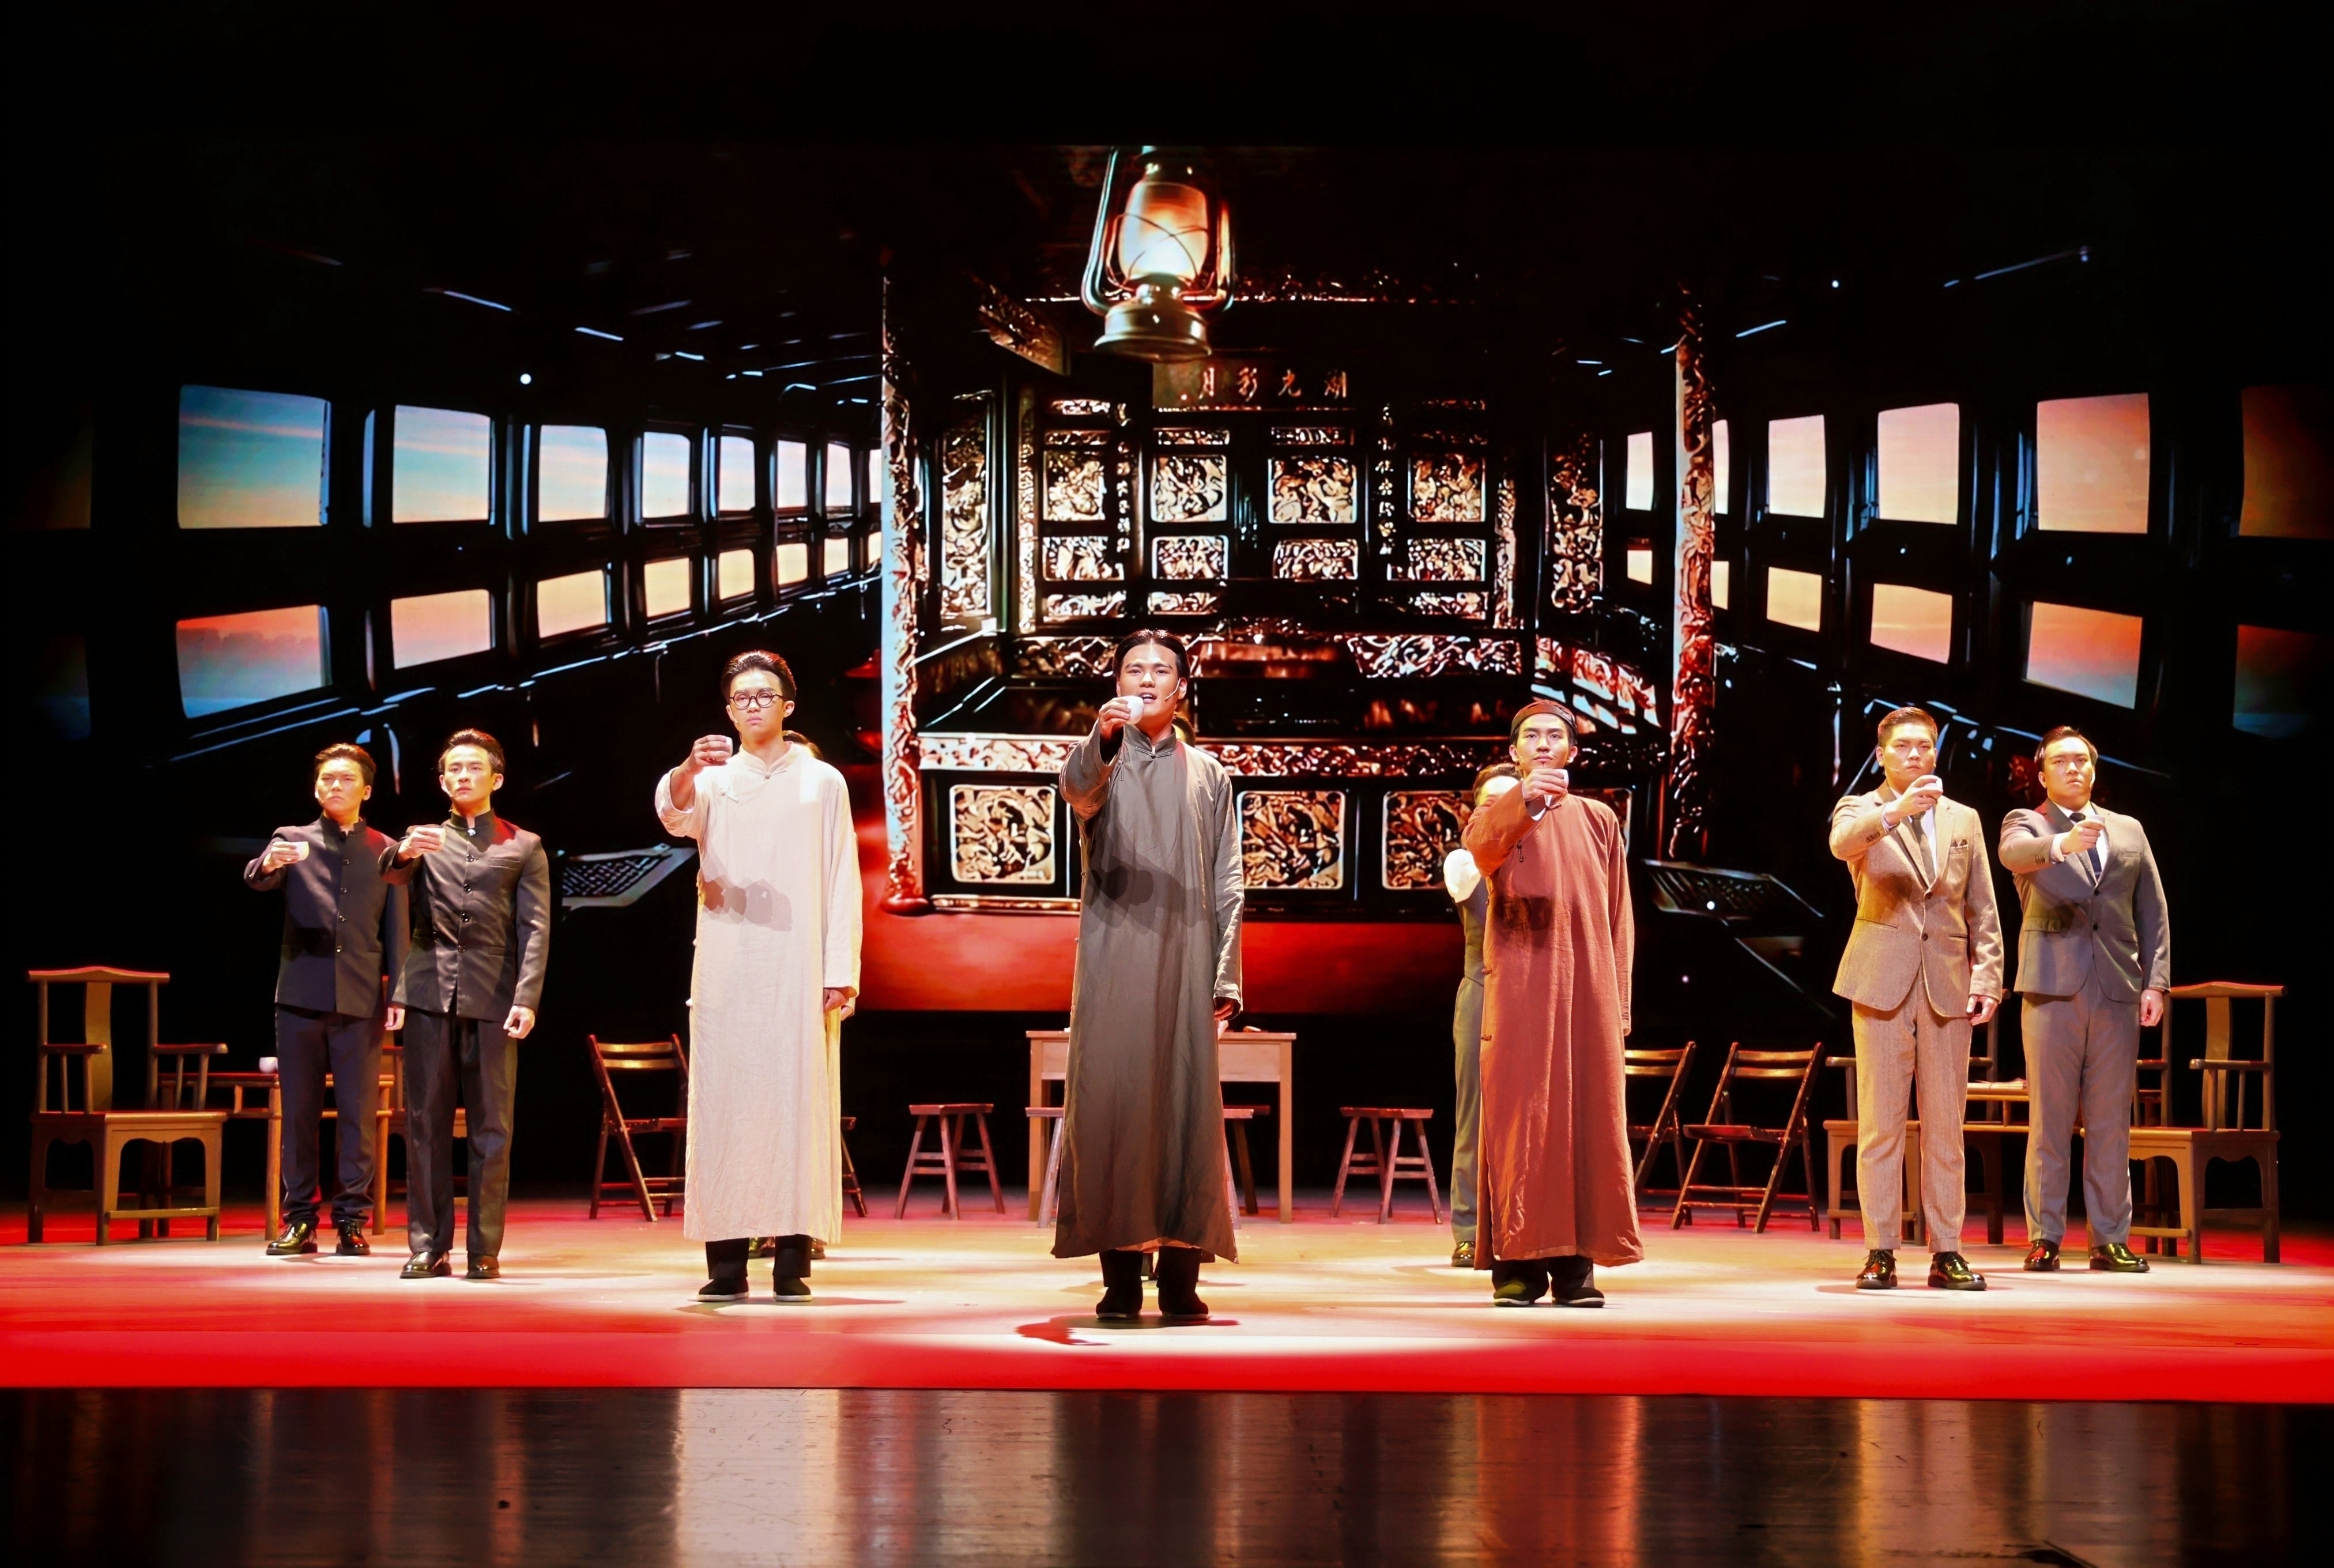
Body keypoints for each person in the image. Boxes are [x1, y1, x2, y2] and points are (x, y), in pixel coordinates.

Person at [657, 651, 861, 1302]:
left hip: (798, 965)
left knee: (798, 1107)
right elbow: (673, 815)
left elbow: (842, 876)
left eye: (764, 695)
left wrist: (840, 969)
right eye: (741, 697)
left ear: (787, 706)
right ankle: (725, 1264)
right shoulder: (713, 780)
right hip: (728, 962)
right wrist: (688, 769)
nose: (752, 705)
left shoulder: (822, 780)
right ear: (728, 709)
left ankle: (791, 1262)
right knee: (726, 1106)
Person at [1054, 629, 1243, 1322]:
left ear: (1181, 687)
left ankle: (1180, 1275)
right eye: (1133, 668)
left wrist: (1225, 975)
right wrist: (1102, 738)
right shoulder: (1101, 759)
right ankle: (1120, 1276)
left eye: (1160, 669)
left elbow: (1229, 879)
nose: (1145, 678)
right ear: (1116, 682)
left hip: (1188, 955)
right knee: (1114, 1104)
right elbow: (1075, 790)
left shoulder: (1208, 774)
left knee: (1183, 1108)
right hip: (1116, 957)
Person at [1461, 702, 1639, 1307]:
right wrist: (1527, 803)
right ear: (1514, 753)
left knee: (1587, 1122)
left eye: (1554, 736)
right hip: (1521, 988)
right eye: (1531, 736)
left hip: (1588, 989)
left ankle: (1575, 1267)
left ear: (1572, 752)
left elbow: (1619, 914)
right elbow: (1481, 850)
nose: (1542, 744)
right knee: (1522, 1121)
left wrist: (1618, 1003)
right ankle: (1517, 1267)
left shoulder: (1598, 818)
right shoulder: (1499, 811)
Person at [1828, 707, 2003, 1291]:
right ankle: (1880, 1249)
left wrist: (1987, 978)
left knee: (1945, 1126)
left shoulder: (1962, 818)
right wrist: (1895, 811)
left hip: (1947, 983)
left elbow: (1982, 905)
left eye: (1923, 745)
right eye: (1902, 746)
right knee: (1881, 1123)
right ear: (1881, 755)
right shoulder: (1860, 808)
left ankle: (1946, 1249)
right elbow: (1841, 844)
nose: (1914, 754)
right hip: (1881, 980)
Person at [380, 729, 550, 1281]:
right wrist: (404, 851)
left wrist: (527, 996)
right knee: (425, 1123)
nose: (462, 776)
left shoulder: (523, 844)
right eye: (453, 768)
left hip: (494, 996)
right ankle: (428, 1246)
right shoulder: (425, 839)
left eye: (473, 768)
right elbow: (391, 873)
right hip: (428, 993)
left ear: (496, 779)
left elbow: (535, 927)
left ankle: (484, 1248)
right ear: (442, 781)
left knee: (491, 1128)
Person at [1999, 726, 2169, 1275]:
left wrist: (2155, 982)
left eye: (2081, 760)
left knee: (2110, 1120)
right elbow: (2013, 855)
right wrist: (2061, 845)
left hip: (2116, 987)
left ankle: (2109, 1239)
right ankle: (2044, 1236)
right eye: (2060, 761)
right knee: (2049, 1120)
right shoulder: (2027, 823)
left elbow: (2152, 910)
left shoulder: (2128, 829)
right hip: (2052, 987)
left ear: (2094, 769)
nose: (2073, 769)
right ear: (2042, 773)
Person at [243, 743, 407, 1258]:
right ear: (316, 788)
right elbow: (260, 877)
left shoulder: (387, 849)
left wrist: (398, 991)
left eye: (346, 779)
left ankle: (352, 1220)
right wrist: (268, 862)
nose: (335, 786)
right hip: (300, 993)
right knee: (300, 1114)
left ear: (367, 790)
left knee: (358, 1115)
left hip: (361, 996)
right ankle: (298, 1220)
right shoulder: (291, 839)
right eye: (327, 779)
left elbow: (397, 928)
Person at [1441, 763, 1518, 1268]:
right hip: (1483, 993)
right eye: (1491, 803)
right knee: (1475, 1117)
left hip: (1532, 999)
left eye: (1512, 802)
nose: (1502, 812)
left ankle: (1527, 1227)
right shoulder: (1463, 862)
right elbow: (1484, 869)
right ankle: (1469, 1229)